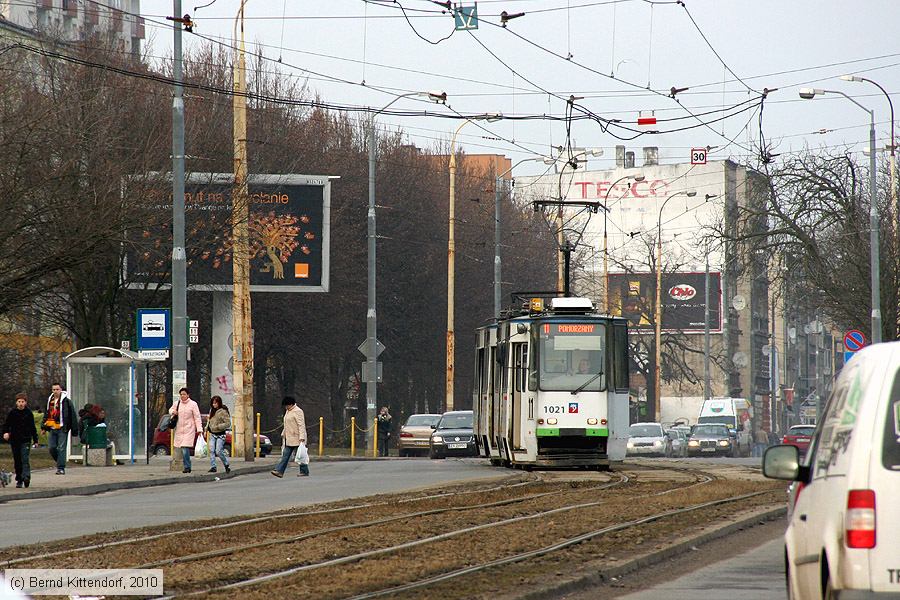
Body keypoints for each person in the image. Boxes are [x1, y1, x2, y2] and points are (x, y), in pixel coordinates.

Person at [2, 393, 39, 488]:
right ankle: (19, 479)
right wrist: (5, 432)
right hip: (15, 440)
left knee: (25, 459)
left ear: (25, 402)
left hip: (25, 439)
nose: (21, 404)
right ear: (16, 403)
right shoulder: (13, 413)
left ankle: (26, 477)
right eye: (19, 402)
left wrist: (35, 440)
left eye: (23, 402)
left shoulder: (28, 413)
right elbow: (6, 424)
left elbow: (32, 428)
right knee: (17, 460)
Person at [42, 383, 78, 475]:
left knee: (61, 448)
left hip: (62, 428)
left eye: (57, 389)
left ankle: (61, 468)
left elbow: (72, 415)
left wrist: (74, 429)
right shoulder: (50, 401)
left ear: (61, 390)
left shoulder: (66, 401)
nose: (55, 391)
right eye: (53, 390)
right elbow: (47, 414)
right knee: (51, 448)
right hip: (52, 427)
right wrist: (44, 427)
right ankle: (60, 461)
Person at [272, 396, 307, 478]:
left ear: (291, 404)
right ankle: (279, 471)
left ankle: (304, 471)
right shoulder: (288, 411)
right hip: (289, 438)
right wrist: (283, 433)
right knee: (285, 455)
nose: (286, 407)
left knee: (300, 455)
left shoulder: (298, 411)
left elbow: (301, 425)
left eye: (287, 405)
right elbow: (287, 424)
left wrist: (302, 437)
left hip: (297, 438)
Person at [169, 388, 202, 473]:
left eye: (184, 394)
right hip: (179, 429)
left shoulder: (193, 404)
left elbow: (197, 417)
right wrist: (173, 412)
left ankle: (187, 466)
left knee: (184, 447)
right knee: (180, 447)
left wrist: (199, 429)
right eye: (181, 394)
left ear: (188, 395)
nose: (182, 396)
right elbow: (170, 410)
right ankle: (186, 466)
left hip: (189, 429)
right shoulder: (177, 403)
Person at [206, 396, 231, 474]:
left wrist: (219, 426)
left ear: (219, 403)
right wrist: (206, 428)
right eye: (213, 403)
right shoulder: (212, 411)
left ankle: (226, 464)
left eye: (216, 403)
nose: (214, 405)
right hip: (212, 433)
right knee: (211, 450)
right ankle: (213, 466)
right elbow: (209, 421)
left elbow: (228, 423)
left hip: (220, 434)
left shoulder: (223, 411)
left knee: (218, 451)